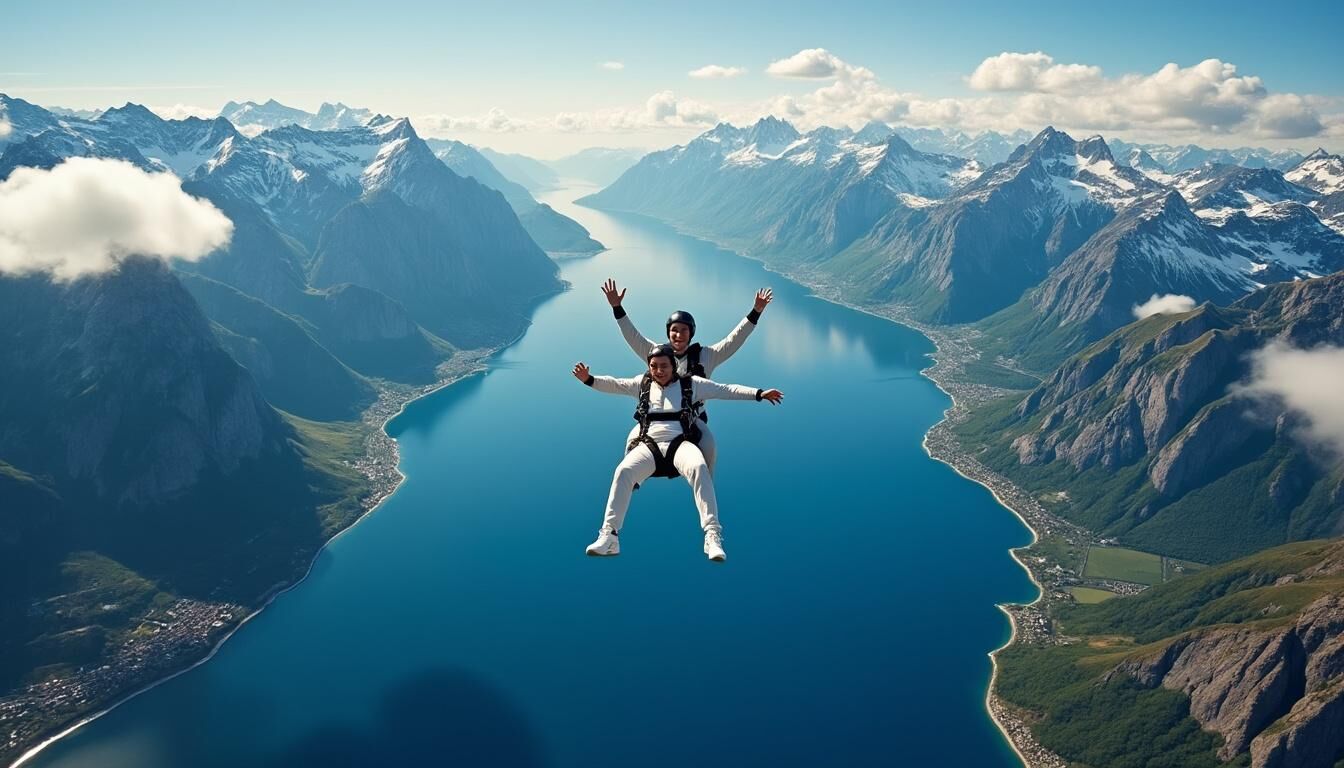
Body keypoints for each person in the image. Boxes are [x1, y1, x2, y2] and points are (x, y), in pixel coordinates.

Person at [572, 344, 783, 562]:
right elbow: (615, 384)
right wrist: (589, 379)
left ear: (673, 366)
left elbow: (725, 390)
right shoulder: (642, 384)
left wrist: (758, 394)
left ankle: (712, 535)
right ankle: (609, 536)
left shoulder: (691, 384)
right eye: (653, 366)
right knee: (623, 470)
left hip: (680, 443)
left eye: (664, 366)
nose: (658, 371)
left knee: (700, 467)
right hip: (649, 444)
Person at [601, 278, 773, 476]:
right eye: (674, 330)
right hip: (655, 420)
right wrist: (617, 308)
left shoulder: (707, 356)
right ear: (668, 333)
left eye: (684, 330)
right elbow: (633, 336)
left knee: (709, 450)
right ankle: (632, 482)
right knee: (630, 446)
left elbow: (735, 339)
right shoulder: (655, 353)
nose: (679, 335)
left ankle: (704, 488)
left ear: (691, 333)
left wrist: (756, 312)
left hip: (692, 419)